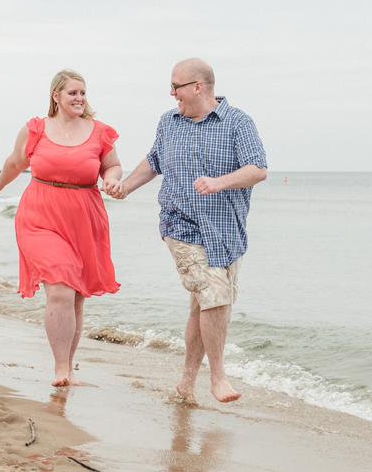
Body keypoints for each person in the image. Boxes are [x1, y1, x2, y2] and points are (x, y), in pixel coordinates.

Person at [105, 58, 267, 403]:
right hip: (180, 226)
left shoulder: (238, 123)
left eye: (176, 85)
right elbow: (154, 161)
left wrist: (218, 183)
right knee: (215, 296)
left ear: (198, 87)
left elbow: (258, 169)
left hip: (225, 231)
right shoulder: (169, 122)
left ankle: (186, 383)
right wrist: (126, 187)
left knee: (204, 306)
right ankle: (218, 378)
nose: (171, 92)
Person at [0, 68, 123, 386]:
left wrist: (112, 180)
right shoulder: (35, 129)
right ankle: (61, 368)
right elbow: (14, 163)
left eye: (83, 92)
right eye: (73, 92)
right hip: (39, 217)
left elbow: (112, 166)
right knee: (60, 288)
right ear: (56, 96)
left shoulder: (100, 131)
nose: (79, 98)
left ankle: (69, 367)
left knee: (75, 297)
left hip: (84, 219)